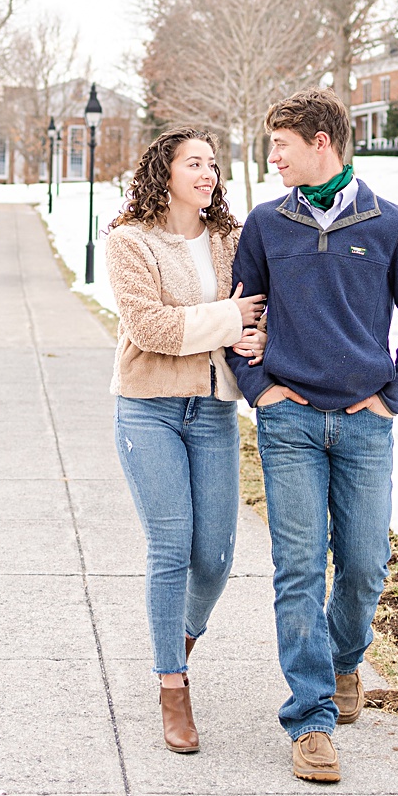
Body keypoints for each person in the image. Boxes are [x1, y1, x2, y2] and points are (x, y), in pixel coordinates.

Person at [228, 89, 398, 786]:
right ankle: (312, 719)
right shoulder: (267, 225)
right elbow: (239, 316)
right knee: (298, 567)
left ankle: (346, 658)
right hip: (288, 421)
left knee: (362, 564)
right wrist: (258, 388)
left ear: (322, 142)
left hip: (363, 424)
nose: (272, 158)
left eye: (282, 146)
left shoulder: (391, 225)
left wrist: (393, 399)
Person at [105, 128, 266, 754]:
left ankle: (181, 635)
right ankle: (173, 683)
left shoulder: (232, 240)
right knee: (171, 547)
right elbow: (151, 328)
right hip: (148, 409)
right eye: (193, 162)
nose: (208, 172)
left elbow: (262, 310)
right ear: (164, 172)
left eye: (213, 163)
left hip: (214, 410)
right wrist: (233, 320)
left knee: (216, 558)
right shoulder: (130, 241)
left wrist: (255, 335)